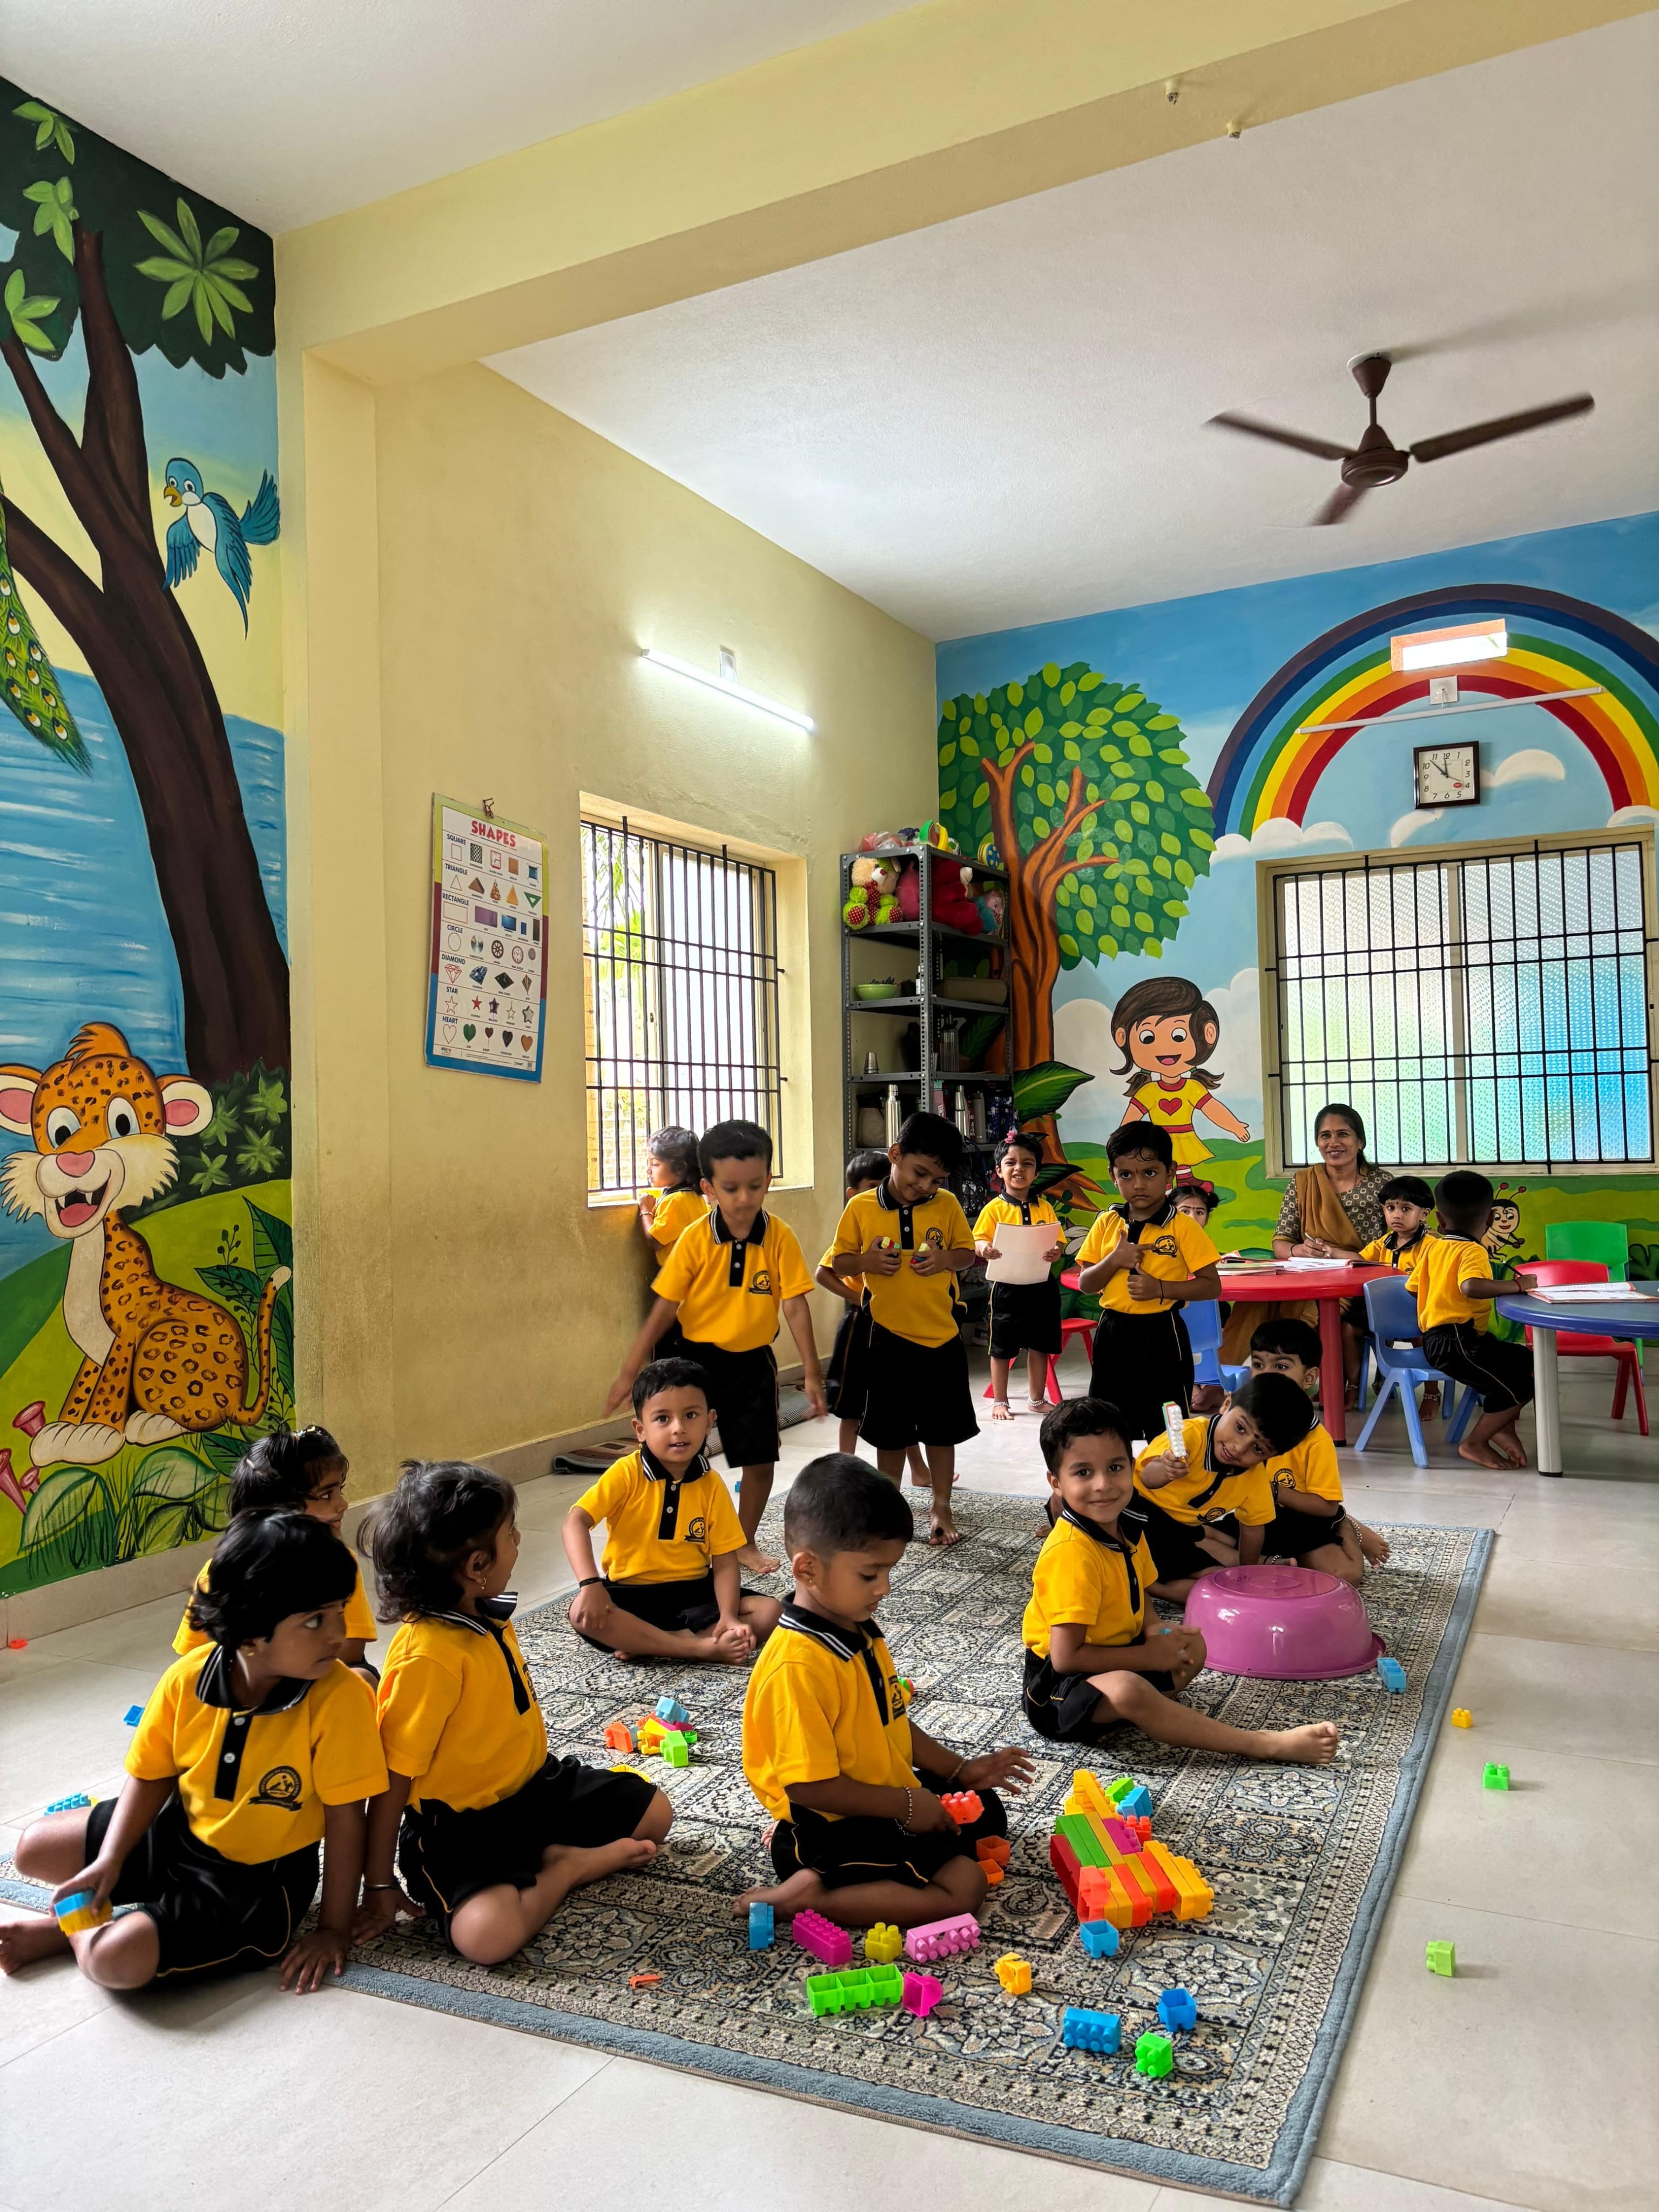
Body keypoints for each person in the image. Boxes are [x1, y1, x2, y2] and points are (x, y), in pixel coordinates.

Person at [1, 1510, 387, 1989]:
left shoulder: (341, 1697)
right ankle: (118, 1915)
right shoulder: (186, 1679)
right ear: (250, 1628)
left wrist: (333, 1929)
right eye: (315, 1620)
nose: (337, 1634)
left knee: (112, 1963)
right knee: (33, 1848)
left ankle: (72, 1931)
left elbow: (347, 1819)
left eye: (339, 1612)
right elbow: (151, 1775)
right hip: (175, 1835)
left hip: (254, 1884)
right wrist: (111, 1860)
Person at [358, 1461, 672, 1965]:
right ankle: (564, 1869)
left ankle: (550, 1853)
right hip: (461, 1827)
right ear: (477, 1566)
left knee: (656, 1813)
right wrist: (378, 1883)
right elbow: (393, 1779)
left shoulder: (483, 1609)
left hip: (536, 1788)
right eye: (511, 1533)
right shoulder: (427, 1655)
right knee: (488, 1938)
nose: (521, 1540)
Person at [734, 1454, 1035, 1930]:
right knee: (964, 1888)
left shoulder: (857, 1629)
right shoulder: (796, 1666)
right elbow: (809, 1786)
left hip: (880, 1793)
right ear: (807, 1569)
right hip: (831, 1825)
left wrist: (960, 1769)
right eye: (870, 1575)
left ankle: (851, 1867)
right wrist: (907, 1806)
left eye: (890, 1571)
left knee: (985, 1812)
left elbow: (890, 1719)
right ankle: (812, 1893)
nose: (887, 1587)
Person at [1023, 1399, 1339, 1765]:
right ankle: (1260, 1743)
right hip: (1057, 1691)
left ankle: (1147, 1712)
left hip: (1117, 1653)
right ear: (1056, 1483)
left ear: (1131, 1467)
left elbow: (1138, 1594)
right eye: (1083, 1473)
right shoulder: (1071, 1553)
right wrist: (1146, 1655)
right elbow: (1064, 1658)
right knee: (1129, 1689)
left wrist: (1156, 1630)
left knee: (1192, 1644)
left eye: (1115, 1467)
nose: (1104, 1485)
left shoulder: (1126, 1530)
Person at [606, 1118, 826, 1575]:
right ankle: (669, 1541)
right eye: (730, 1188)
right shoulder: (695, 1238)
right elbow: (666, 1306)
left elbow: (797, 1308)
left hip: (752, 1363)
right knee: (677, 1455)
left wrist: (811, 1372)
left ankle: (741, 1543)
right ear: (708, 1188)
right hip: (693, 1363)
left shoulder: (780, 1236)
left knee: (760, 1457)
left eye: (754, 1186)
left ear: (768, 1180)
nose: (744, 1199)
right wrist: (630, 1370)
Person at [563, 1358, 781, 1662]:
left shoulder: (711, 1484)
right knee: (581, 1613)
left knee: (772, 1612)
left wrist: (729, 1617)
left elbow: (725, 1561)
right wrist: (590, 1585)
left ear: (709, 1421)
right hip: (633, 1596)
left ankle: (654, 1644)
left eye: (691, 1415)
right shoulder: (626, 1473)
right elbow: (576, 1522)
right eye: (663, 1419)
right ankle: (696, 1647)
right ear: (640, 1430)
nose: (679, 1428)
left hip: (695, 1593)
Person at [827, 1112, 979, 1547]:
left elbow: (967, 1254)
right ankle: (889, 1509)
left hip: (941, 1339)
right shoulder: (860, 1208)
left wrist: (946, 1260)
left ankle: (941, 1505)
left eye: (936, 1179)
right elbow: (838, 1263)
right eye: (920, 1173)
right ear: (895, 1155)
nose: (926, 1186)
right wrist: (866, 1263)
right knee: (888, 1433)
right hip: (887, 1340)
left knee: (942, 1431)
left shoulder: (946, 1206)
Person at [172, 1425, 379, 1683]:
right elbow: (195, 1663)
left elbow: (349, 1653)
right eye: (326, 1495)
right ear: (277, 1512)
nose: (343, 1504)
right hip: (249, 1685)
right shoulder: (223, 1572)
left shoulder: (339, 1564)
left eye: (340, 1491)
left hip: (322, 1681)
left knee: (363, 1680)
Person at [1074, 1122, 1221, 1451]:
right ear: (1113, 1176)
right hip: (1113, 1332)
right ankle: (1122, 1485)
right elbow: (1086, 1283)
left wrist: (1161, 1288)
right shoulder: (1107, 1221)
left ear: (1170, 1173)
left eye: (1150, 1173)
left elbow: (1212, 1286)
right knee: (1109, 1419)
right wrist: (1114, 1259)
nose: (1138, 1184)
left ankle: (1174, 1484)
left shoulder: (1182, 1226)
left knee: (1170, 1422)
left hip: (1163, 1332)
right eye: (1126, 1175)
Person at [1238, 1102, 1396, 1388]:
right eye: (1325, 1136)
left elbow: (1398, 1241)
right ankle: (1224, 1382)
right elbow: (1281, 1242)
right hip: (1308, 1275)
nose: (1333, 1143)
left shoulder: (1381, 1185)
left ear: (1359, 1141)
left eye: (1343, 1135)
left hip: (1360, 1281)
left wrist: (1343, 1257)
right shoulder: (1303, 1182)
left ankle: (1323, 1385)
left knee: (1312, 1314)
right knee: (1254, 1307)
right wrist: (1299, 1251)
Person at [1126, 1371, 1315, 1600]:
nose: (1239, 1448)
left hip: (1181, 1527)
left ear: (1273, 1455)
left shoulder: (1254, 1478)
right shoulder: (1191, 1436)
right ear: (1226, 1405)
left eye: (1258, 1449)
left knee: (1222, 1576)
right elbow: (1146, 1478)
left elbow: (1253, 1529)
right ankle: (1153, 1587)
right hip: (1135, 1510)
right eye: (1240, 1428)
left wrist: (1248, 1575)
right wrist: (1165, 1470)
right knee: (1214, 1587)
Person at [1408, 1172, 1536, 1471]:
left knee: (1524, 1359)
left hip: (1447, 1339)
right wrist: (1519, 1285)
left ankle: (1502, 1425)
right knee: (1520, 1389)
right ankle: (1475, 1443)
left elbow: (1413, 1288)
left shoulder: (1433, 1248)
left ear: (1439, 1219)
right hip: (1456, 1341)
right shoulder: (1473, 1250)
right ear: (1492, 1218)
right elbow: (1471, 1287)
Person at [817, 1149, 930, 1486]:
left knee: (898, 1403)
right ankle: (845, 1470)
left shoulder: (905, 1220)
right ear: (853, 1193)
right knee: (851, 1402)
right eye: (871, 1186)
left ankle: (919, 1469)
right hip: (860, 1324)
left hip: (896, 1325)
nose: (881, 1191)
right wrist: (862, 1297)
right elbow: (824, 1273)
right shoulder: (856, 1225)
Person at [1246, 1318, 1390, 1582]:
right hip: (1246, 1519)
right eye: (1258, 1364)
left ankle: (1347, 1525)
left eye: (1280, 1366)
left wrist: (1273, 1490)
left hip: (1298, 1519)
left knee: (1345, 1576)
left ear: (1309, 1377)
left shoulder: (1316, 1440)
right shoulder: (1239, 1418)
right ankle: (1271, 1562)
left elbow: (1325, 1507)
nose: (1266, 1374)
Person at [1110, 975, 1250, 1178]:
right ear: (1123, 1037)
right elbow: (1132, 1120)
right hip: (1156, 1145)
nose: (1166, 1048)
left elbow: (1212, 1109)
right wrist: (1118, 1140)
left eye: (1178, 1036)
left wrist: (1235, 1126)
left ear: (1206, 1033)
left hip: (1185, 1138)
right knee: (1160, 1174)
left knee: (1183, 1172)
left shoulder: (1193, 1088)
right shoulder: (1148, 1091)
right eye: (1148, 1038)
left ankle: (1187, 1187)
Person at [973, 1129, 1067, 1421]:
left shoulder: (1045, 1206)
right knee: (1002, 1347)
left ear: (1036, 1171)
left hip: (1041, 1286)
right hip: (1006, 1288)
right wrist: (985, 1248)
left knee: (1040, 1345)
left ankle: (1036, 1399)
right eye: (1011, 1163)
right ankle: (1001, 1401)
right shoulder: (993, 1209)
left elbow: (1059, 1241)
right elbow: (978, 1240)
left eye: (1027, 1164)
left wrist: (1056, 1251)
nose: (1019, 1169)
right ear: (999, 1170)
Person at [1353, 1174, 1439, 1418]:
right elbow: (1359, 1261)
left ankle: (1432, 1392)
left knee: (1421, 1335)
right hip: (1382, 1314)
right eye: (1391, 1208)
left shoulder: (1432, 1246)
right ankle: (1352, 1383)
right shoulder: (1383, 1243)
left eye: (1405, 1209)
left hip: (1418, 1312)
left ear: (1424, 1214)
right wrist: (1330, 1253)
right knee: (1348, 1327)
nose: (1397, 1215)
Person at [637, 1124, 706, 1257]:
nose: (648, 1170)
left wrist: (646, 1210)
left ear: (680, 1168)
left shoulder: (675, 1201)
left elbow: (655, 1241)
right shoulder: (692, 1195)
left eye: (655, 1164)